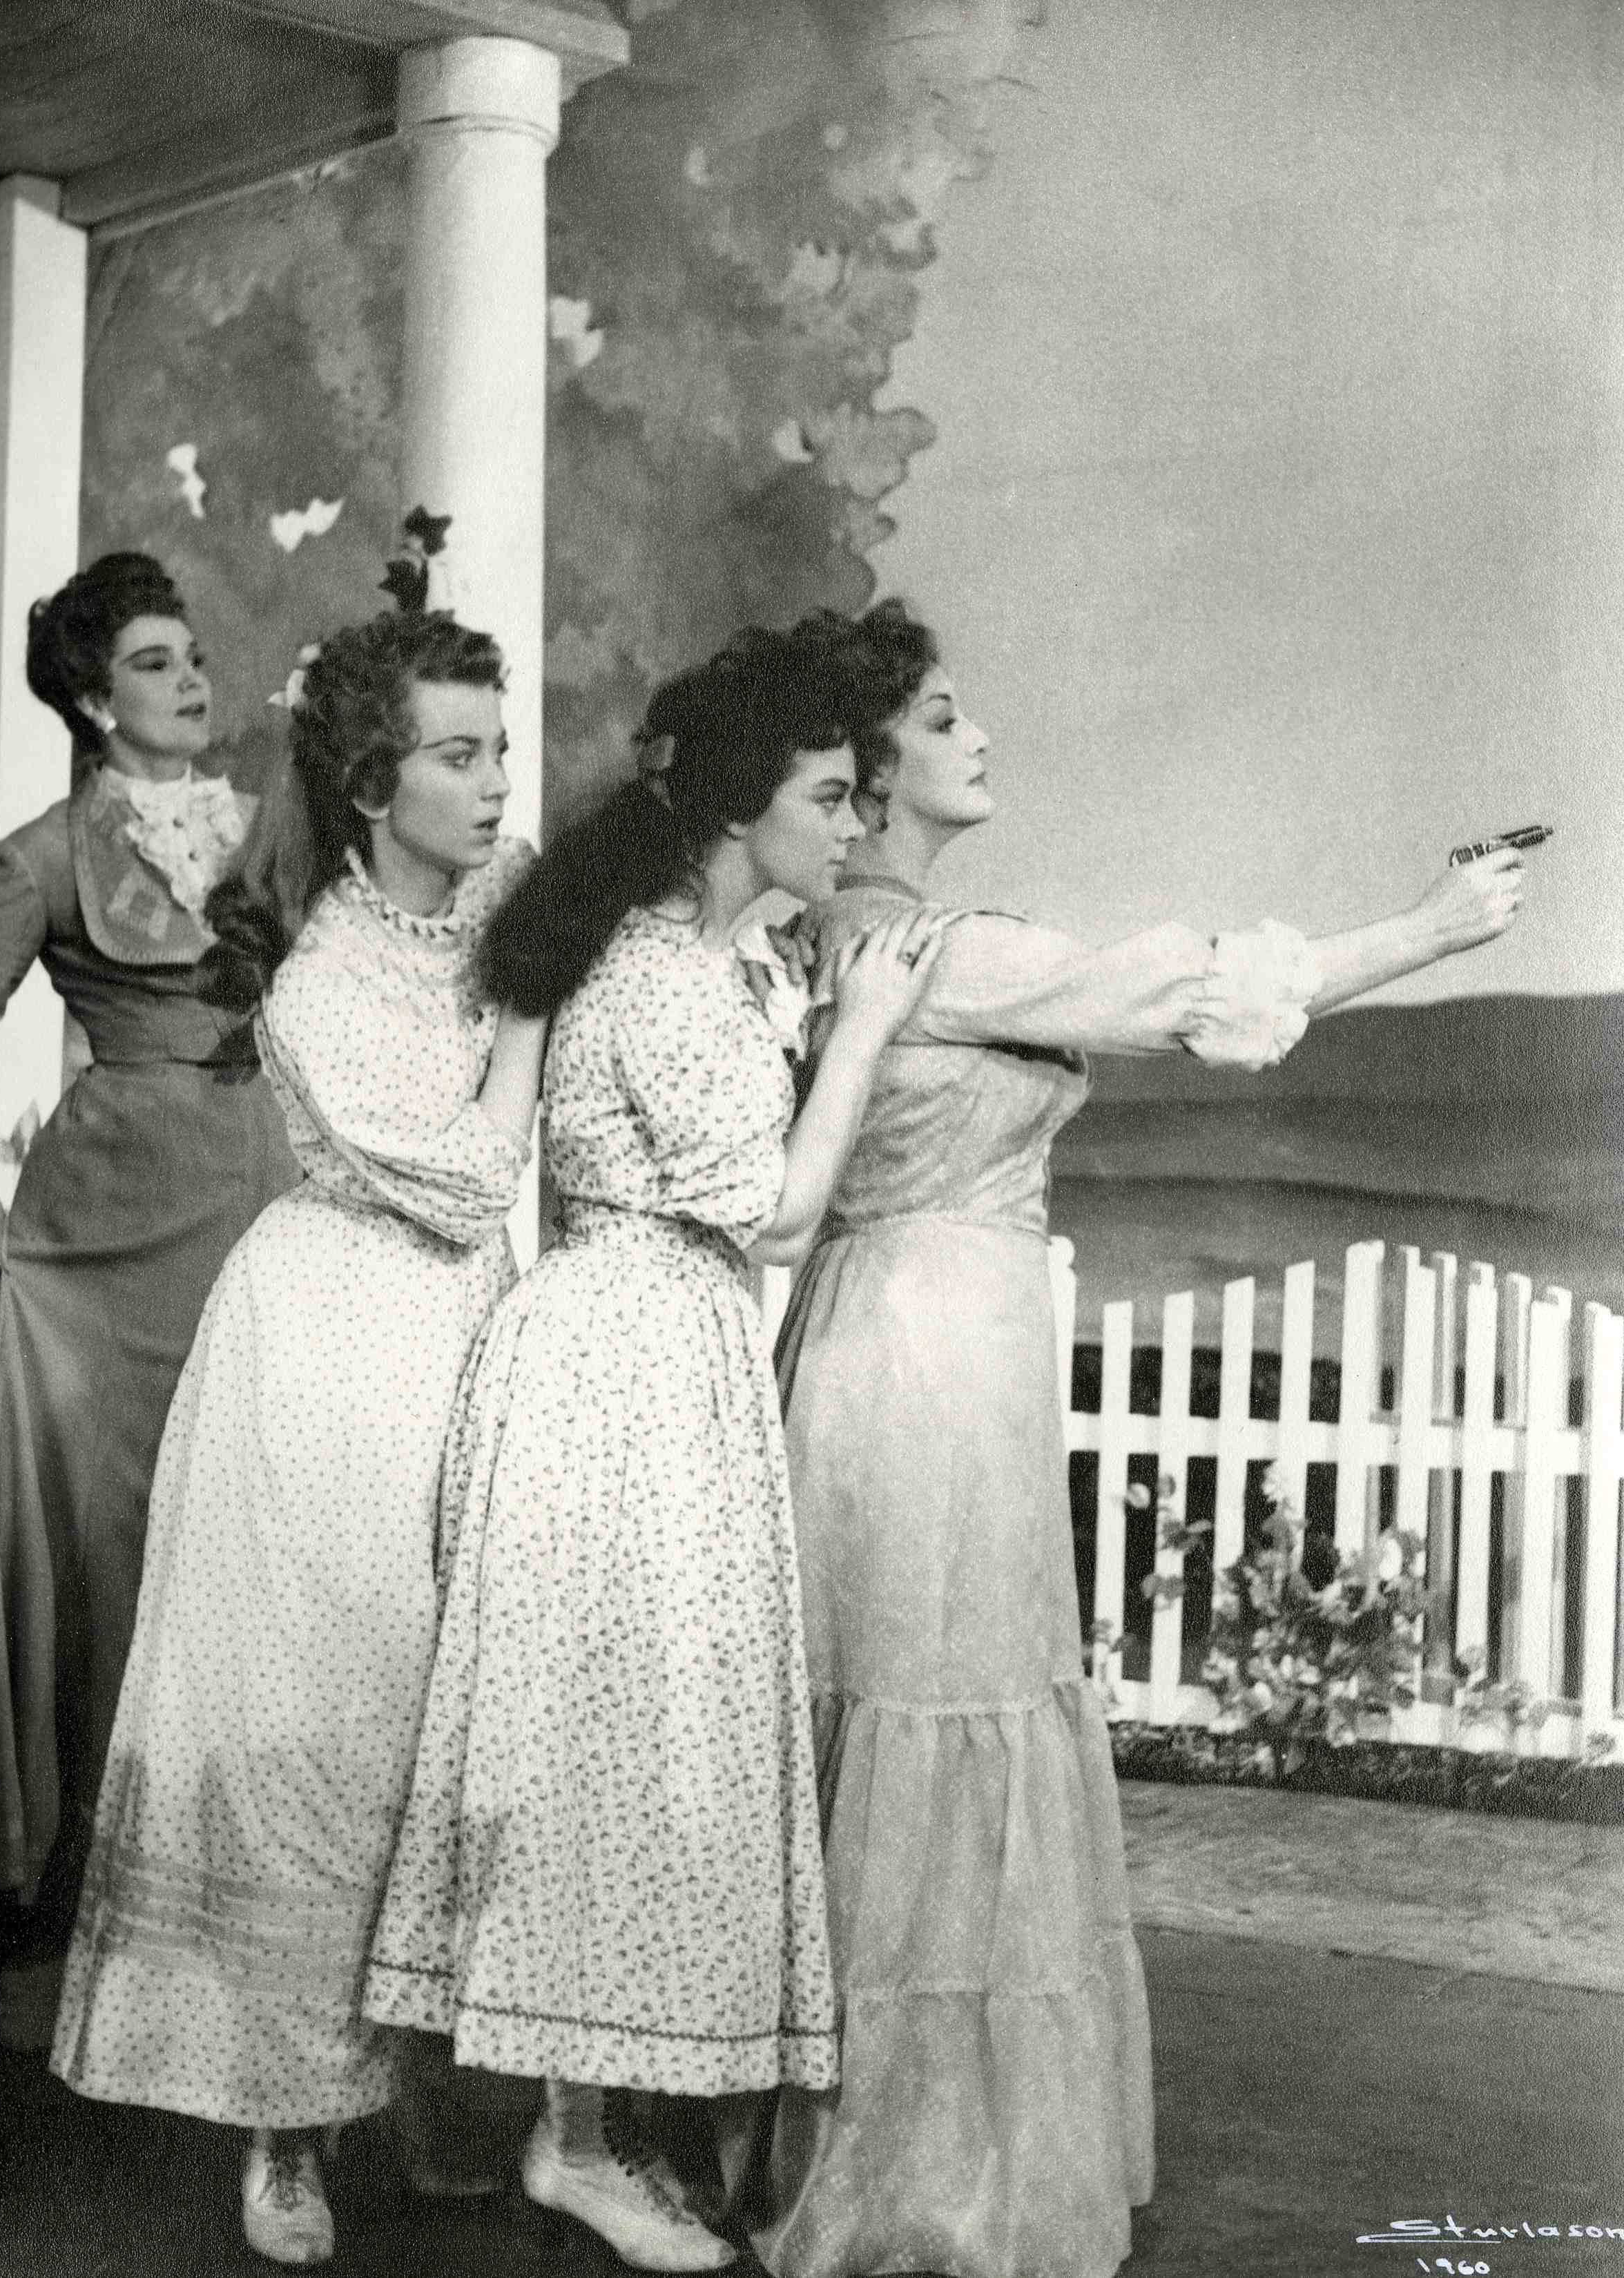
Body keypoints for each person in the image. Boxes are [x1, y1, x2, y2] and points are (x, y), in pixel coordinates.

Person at [754, 599, 1529, 2278]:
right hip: (926, 1363)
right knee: (931, 1702)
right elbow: (1197, 993)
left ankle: (870, 2127)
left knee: (906, 1706)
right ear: (867, 773)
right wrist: (1430, 927)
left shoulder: (855, 943)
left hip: (901, 1344)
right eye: (938, 719)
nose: (977, 736)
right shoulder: (933, 952)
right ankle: (921, 2164)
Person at [361, 624, 951, 2275]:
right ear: (741, 804)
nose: (850, 824)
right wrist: (860, 1033)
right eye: (826, 796)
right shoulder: (661, 977)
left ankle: (593, 2121)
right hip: (624, 1366)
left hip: (638, 1352)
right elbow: (780, 1214)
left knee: (631, 1747)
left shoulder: (686, 958)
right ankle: (575, 2136)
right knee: (618, 1748)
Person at [50, 608, 547, 2268]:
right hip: (327, 1359)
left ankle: (412, 2079)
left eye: (499, 748)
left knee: (438, 1727)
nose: (496, 783)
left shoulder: (500, 906)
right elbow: (466, 1179)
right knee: (317, 1726)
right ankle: (278, 2124)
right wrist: (529, 1020)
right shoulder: (321, 975)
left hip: (466, 1340)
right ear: (370, 784)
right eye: (458, 755)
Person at [0, 554, 296, 2002]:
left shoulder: (265, 832)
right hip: (107, 1231)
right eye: (150, 662)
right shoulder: (44, 855)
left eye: (191, 655)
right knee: (114, 1549)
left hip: (263, 1191)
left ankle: (241, 1894)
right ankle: (77, 1906)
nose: (189, 680)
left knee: (259, 1533)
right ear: (89, 698)